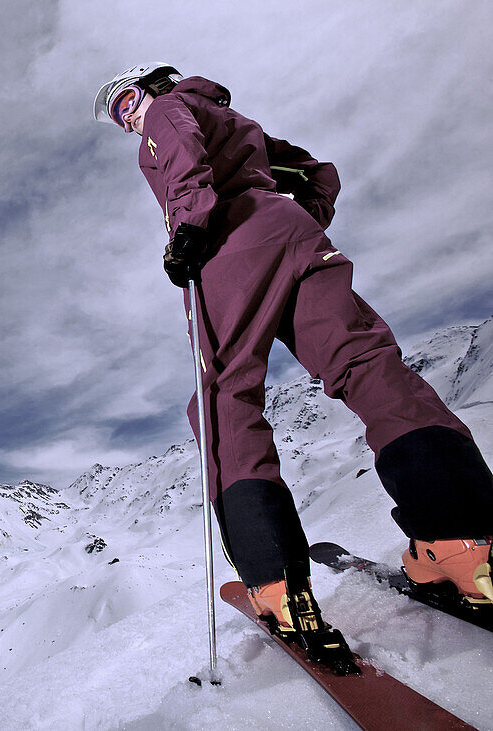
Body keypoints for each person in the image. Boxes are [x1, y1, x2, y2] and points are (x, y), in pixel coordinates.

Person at [93, 63, 493, 634]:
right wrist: (302, 221)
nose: (127, 118)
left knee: (226, 396)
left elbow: (179, 151)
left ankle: (278, 584)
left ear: (152, 86)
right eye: (118, 116)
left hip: (228, 244)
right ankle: (463, 541)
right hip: (292, 232)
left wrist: (189, 227)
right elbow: (316, 173)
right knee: (363, 361)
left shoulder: (167, 111)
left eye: (126, 101)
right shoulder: (240, 125)